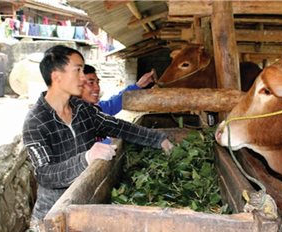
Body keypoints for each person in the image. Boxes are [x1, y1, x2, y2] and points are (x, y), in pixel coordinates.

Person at [22, 45, 174, 220]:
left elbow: (118, 126)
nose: (83, 78)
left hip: (86, 206)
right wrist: (86, 158)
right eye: (77, 70)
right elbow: (45, 174)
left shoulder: (82, 109)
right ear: (56, 76)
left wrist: (157, 139)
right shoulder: (36, 122)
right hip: (53, 216)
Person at [82, 64, 155, 115]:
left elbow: (113, 104)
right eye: (91, 83)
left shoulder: (97, 109)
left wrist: (138, 85)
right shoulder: (76, 118)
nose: (97, 87)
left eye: (97, 82)